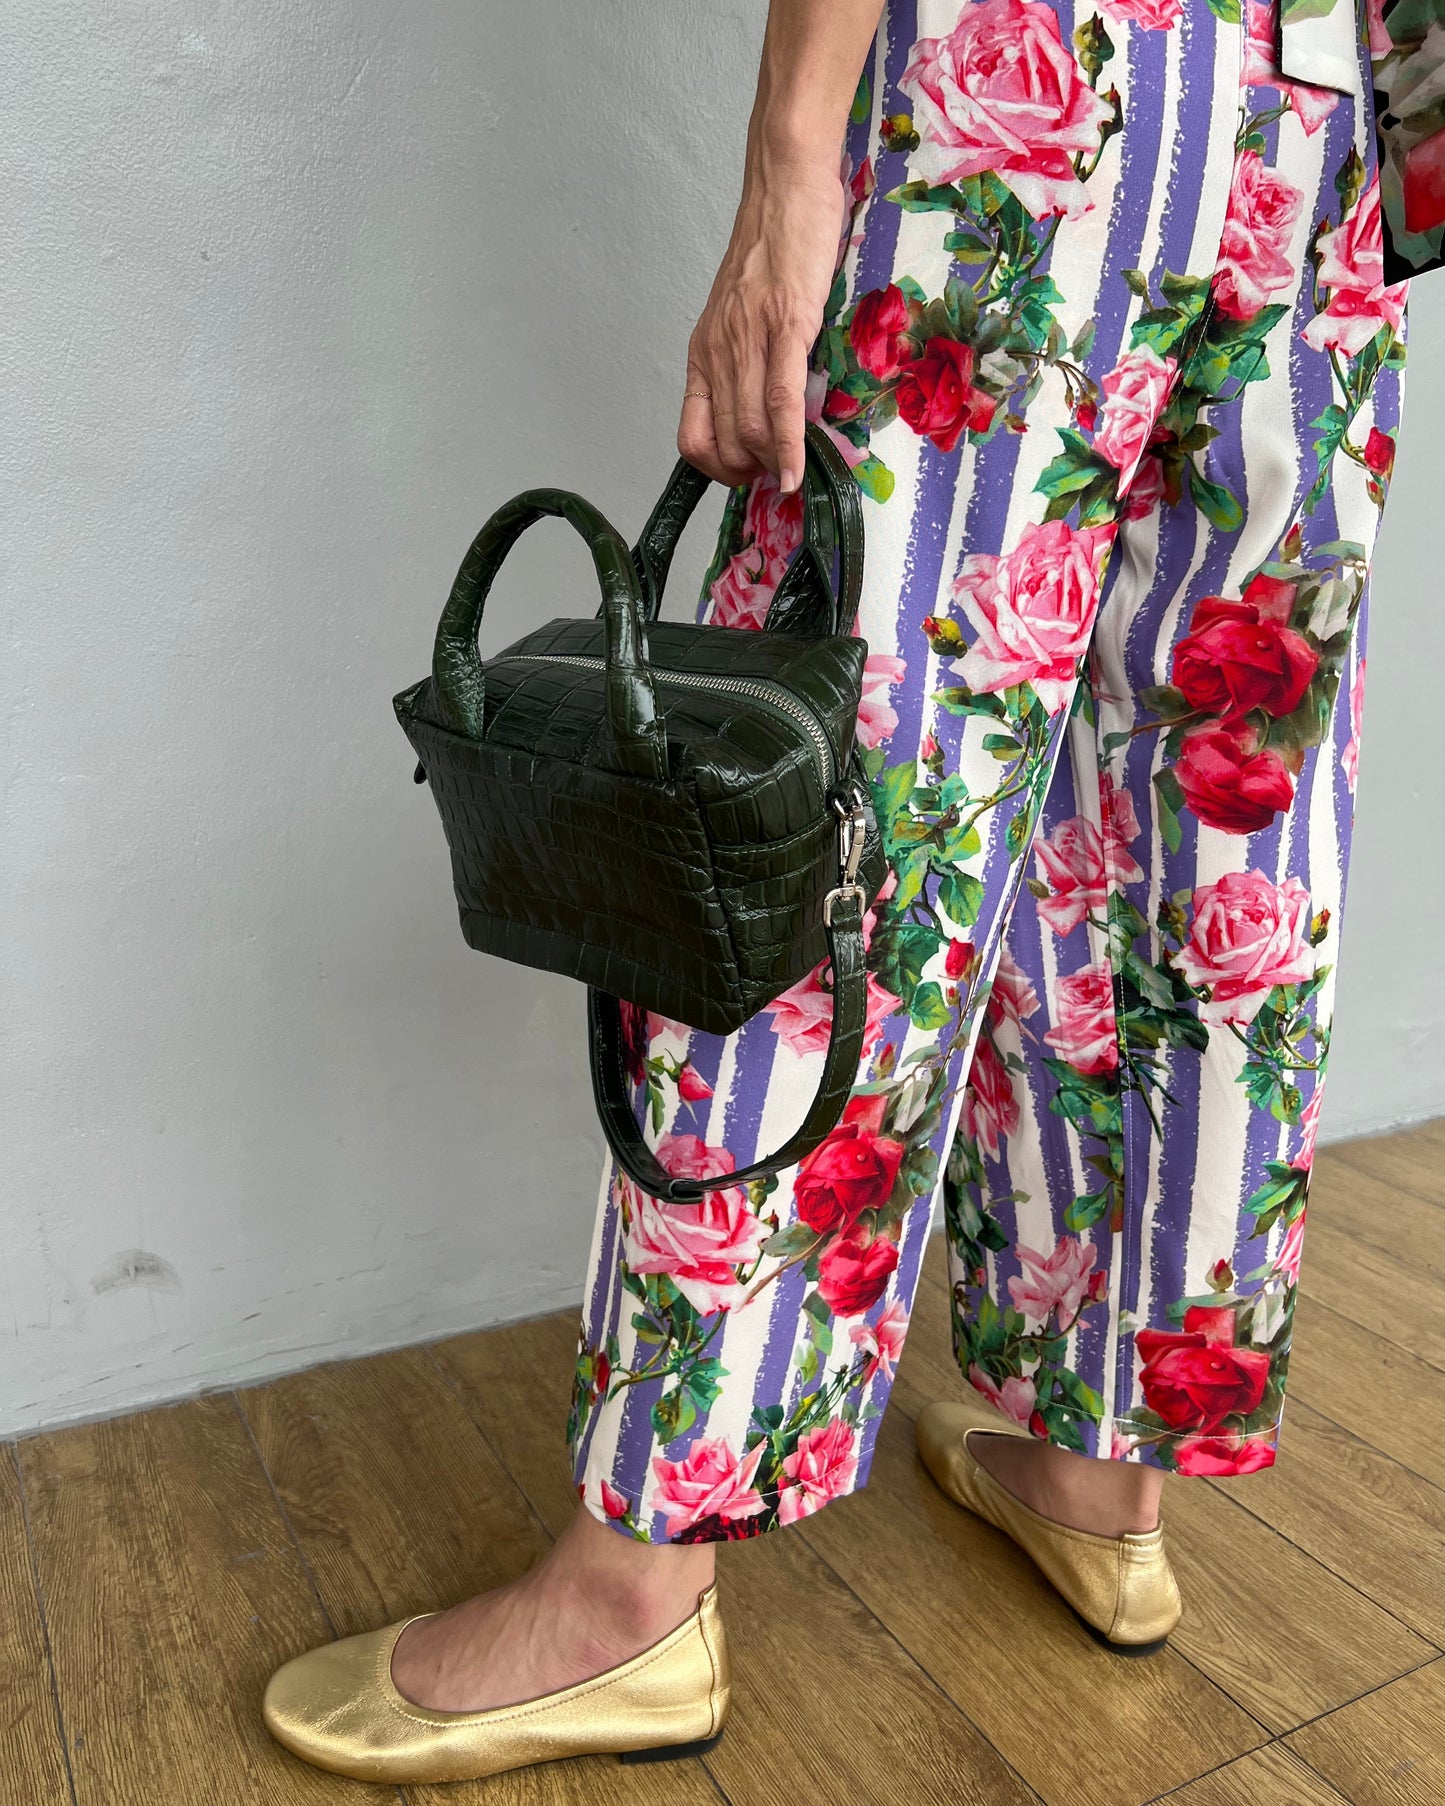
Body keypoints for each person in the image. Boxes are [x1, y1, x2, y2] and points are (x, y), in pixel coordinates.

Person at [262, 0, 1436, 1784]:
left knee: (850, 820)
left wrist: (787, 171)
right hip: (1312, 116)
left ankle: (628, 1592)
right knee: (1209, 835)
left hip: (1048, 90)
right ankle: (1098, 1469)